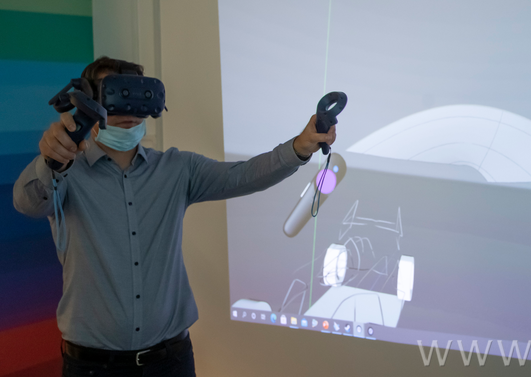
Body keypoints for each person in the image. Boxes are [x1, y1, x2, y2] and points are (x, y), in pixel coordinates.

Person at [13, 57, 335, 377]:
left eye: (136, 95)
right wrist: (51, 161)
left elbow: (243, 176)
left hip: (171, 362)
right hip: (93, 367)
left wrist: (300, 147)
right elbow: (27, 203)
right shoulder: (66, 171)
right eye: (114, 93)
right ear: (88, 100)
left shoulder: (177, 169)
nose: (127, 109)